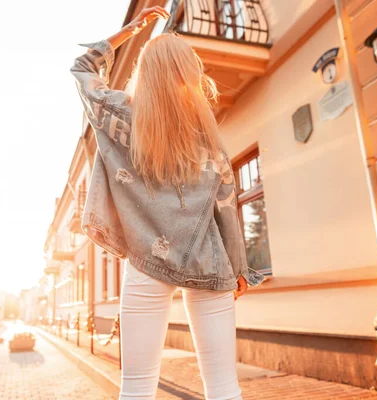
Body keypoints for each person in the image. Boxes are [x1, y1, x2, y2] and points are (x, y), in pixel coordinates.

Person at [71, 6, 257, 400]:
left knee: (136, 387)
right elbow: (226, 204)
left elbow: (83, 68)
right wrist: (239, 268)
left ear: (145, 72)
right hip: (209, 261)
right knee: (224, 388)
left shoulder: (118, 115)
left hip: (145, 262)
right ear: (188, 74)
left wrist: (130, 31)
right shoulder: (204, 136)